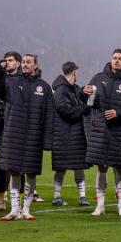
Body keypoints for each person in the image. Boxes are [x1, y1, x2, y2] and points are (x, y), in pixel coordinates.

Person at [0, 53, 54, 221]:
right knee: (14, 172)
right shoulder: (11, 82)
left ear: (35, 66)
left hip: (34, 136)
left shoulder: (44, 87)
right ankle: (14, 210)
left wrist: (47, 140)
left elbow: (49, 116)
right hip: (13, 135)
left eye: (28, 62)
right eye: (23, 62)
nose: (25, 64)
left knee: (31, 174)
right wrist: (0, 69)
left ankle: (26, 209)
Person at [84, 48, 121, 216]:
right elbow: (88, 101)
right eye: (114, 58)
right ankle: (100, 205)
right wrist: (84, 92)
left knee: (120, 169)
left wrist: (119, 112)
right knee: (101, 167)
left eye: (120, 58)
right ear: (111, 60)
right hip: (101, 130)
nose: (117, 61)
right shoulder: (98, 78)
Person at [51, 61, 90, 207]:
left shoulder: (73, 88)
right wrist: (83, 109)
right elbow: (64, 110)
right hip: (63, 134)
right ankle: (56, 196)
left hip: (74, 133)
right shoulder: (61, 90)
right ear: (74, 72)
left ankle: (82, 196)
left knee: (78, 165)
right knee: (62, 167)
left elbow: (78, 100)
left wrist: (85, 95)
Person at [0, 51, 21, 212]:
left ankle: (19, 199)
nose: (8, 63)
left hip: (17, 126)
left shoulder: (23, 80)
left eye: (11, 60)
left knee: (18, 163)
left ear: (18, 63)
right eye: (6, 60)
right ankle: (1, 200)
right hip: (0, 126)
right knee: (0, 165)